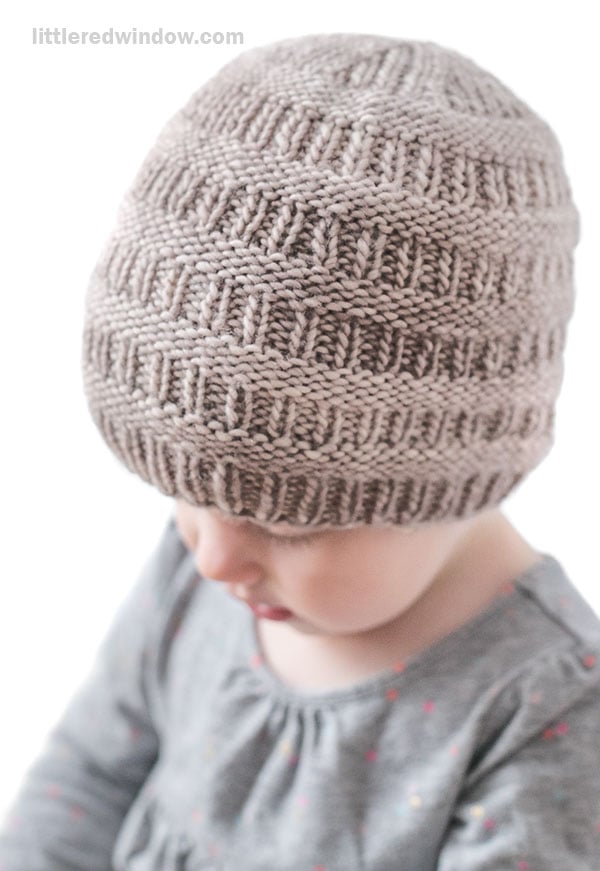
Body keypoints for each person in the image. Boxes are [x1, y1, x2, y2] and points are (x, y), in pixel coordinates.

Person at [1, 31, 598, 871]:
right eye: (188, 492)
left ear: (450, 471)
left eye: (279, 523)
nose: (211, 555)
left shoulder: (540, 711)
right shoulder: (209, 569)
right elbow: (88, 776)